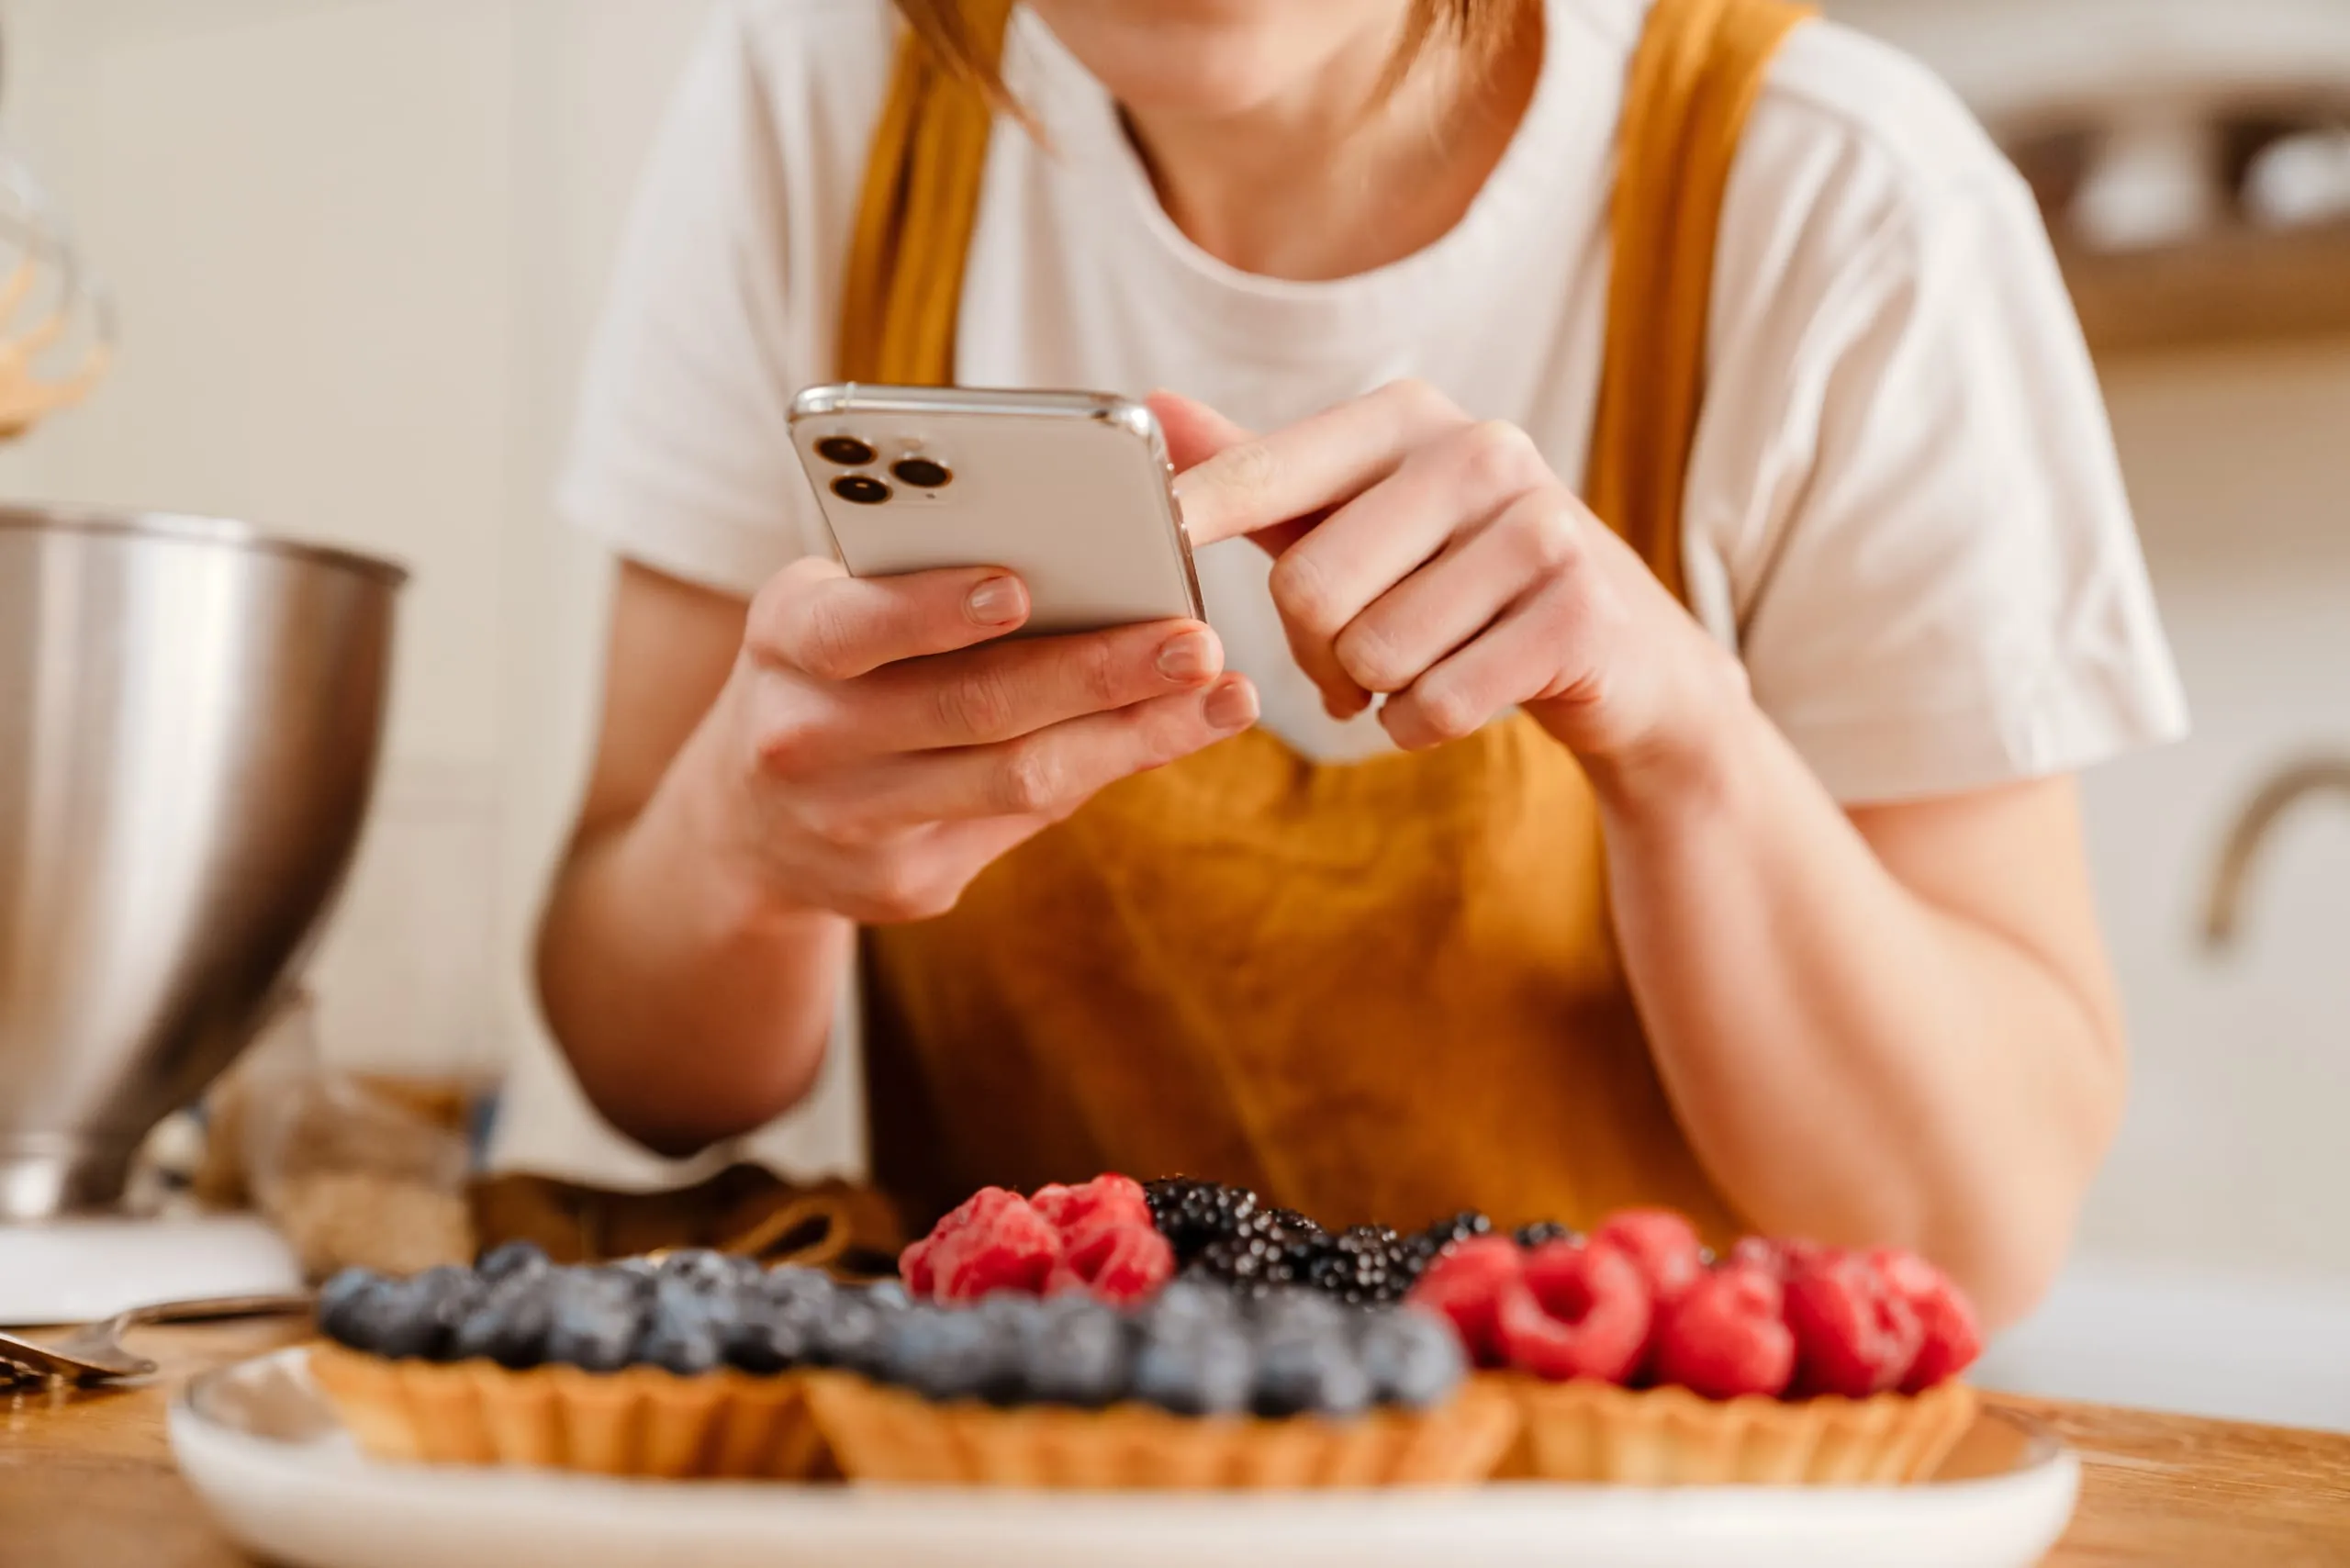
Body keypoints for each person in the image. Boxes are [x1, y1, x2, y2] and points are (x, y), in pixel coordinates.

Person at [523, 0, 2187, 1330]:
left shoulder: (1840, 197)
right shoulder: (813, 108)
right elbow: (648, 1072)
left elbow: (1977, 1233)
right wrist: (741, 850)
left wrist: (1687, 749)